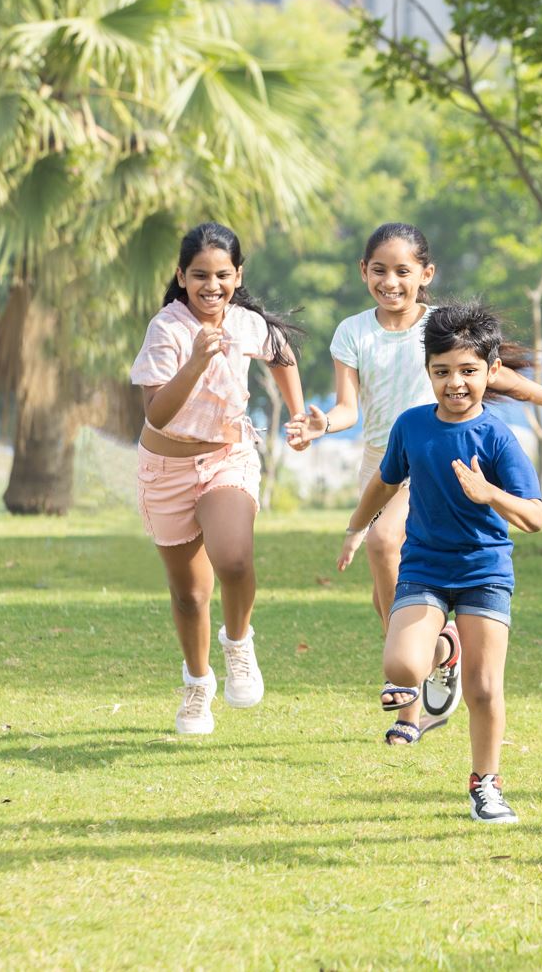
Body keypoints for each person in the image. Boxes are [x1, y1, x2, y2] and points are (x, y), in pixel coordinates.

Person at [286, 223, 542, 739]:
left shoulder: (441, 328)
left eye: (403, 271)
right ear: (362, 272)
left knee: (384, 541)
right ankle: (433, 654)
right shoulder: (352, 331)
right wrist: (321, 423)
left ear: (425, 274)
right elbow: (348, 408)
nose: (390, 281)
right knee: (383, 578)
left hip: (433, 452)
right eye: (379, 270)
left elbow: (498, 375)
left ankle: (416, 688)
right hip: (383, 455)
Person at [337, 302, 542, 823]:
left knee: (483, 688)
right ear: (427, 370)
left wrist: (489, 493)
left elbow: (536, 516)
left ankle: (486, 785)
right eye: (442, 371)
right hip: (425, 567)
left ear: (491, 371)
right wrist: (356, 528)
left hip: (484, 571)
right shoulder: (411, 427)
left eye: (469, 371)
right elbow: (383, 483)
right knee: (400, 667)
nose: (456, 383)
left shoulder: (497, 437)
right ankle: (443, 648)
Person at [131, 222, 310, 735]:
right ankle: (196, 683)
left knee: (233, 557)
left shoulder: (245, 322)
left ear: (238, 275)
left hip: (228, 457)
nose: (212, 286)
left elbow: (280, 352)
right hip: (166, 469)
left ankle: (238, 644)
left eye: (223, 275)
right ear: (182, 277)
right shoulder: (167, 329)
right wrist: (195, 361)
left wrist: (297, 416)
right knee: (189, 595)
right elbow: (158, 414)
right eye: (200, 276)